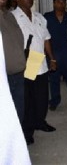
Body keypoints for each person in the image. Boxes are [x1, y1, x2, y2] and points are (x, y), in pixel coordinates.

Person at [12, 0, 57, 145]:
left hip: (39, 59)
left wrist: (52, 59)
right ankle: (27, 130)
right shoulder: (13, 17)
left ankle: (40, 122)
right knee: (28, 99)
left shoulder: (39, 17)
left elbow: (46, 39)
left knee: (42, 97)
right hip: (26, 62)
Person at [0, 30, 31, 165]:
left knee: (33, 93)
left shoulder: (11, 17)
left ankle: (34, 125)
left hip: (33, 59)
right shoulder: (16, 15)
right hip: (11, 71)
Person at [0, 0, 26, 122]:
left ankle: (17, 143)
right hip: (3, 78)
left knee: (18, 114)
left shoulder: (9, 16)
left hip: (17, 74)